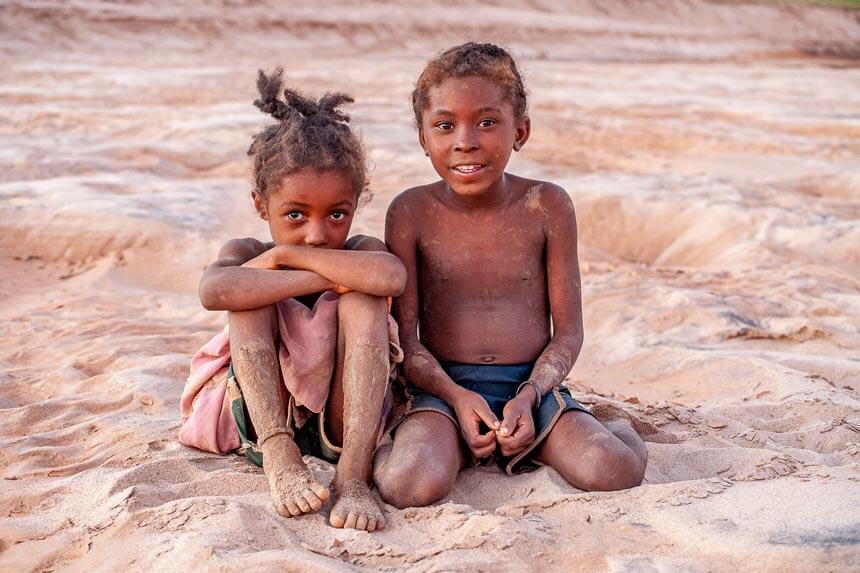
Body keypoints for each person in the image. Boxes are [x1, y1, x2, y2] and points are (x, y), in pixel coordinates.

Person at [373, 43, 647, 508]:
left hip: (532, 390)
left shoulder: (548, 206)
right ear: (423, 138)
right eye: (444, 125)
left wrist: (530, 395)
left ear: (520, 131)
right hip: (442, 391)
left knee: (612, 470)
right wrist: (457, 397)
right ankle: (436, 443)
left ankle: (609, 425)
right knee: (408, 485)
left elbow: (569, 333)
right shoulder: (409, 213)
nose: (465, 141)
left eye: (486, 122)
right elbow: (407, 338)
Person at [185, 68, 405, 531]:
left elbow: (390, 276)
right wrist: (285, 260)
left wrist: (289, 258)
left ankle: (353, 477)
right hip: (264, 426)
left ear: (356, 204)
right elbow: (215, 290)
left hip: (345, 430)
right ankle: (282, 459)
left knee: (364, 299)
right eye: (294, 215)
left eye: (337, 214)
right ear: (261, 205)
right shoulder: (250, 252)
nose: (317, 234)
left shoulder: (361, 251)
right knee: (248, 296)